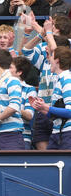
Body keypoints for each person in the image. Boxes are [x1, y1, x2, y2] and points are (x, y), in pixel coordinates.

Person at [21, 14, 71, 149]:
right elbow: (25, 51)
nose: (48, 26)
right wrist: (41, 33)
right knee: (46, 156)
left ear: (59, 29)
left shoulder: (67, 48)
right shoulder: (46, 55)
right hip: (45, 110)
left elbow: (58, 53)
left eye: (52, 25)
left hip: (61, 114)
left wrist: (46, 32)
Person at [31, 46, 71, 149]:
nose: (48, 59)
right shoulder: (59, 80)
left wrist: (47, 107)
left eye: (51, 56)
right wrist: (42, 108)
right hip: (58, 134)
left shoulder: (67, 80)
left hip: (67, 135)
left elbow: (70, 112)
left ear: (57, 60)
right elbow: (56, 114)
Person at [10, 56, 37, 149]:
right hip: (2, 135)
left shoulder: (30, 89)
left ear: (19, 72)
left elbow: (29, 115)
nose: (6, 70)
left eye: (10, 68)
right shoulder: (2, 85)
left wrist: (11, 108)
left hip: (22, 136)